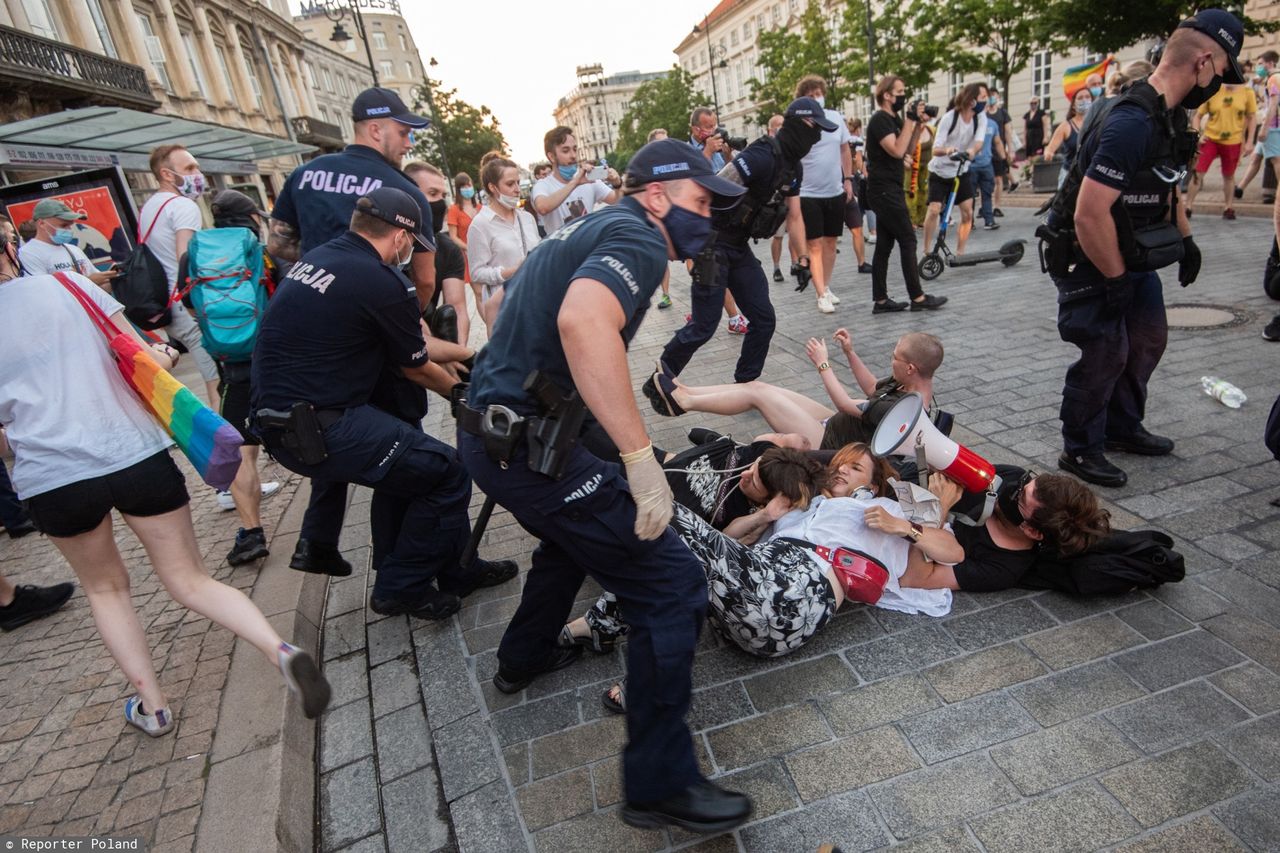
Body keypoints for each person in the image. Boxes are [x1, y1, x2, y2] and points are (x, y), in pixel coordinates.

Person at [456, 138, 752, 833]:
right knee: (672, 585)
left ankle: (522, 656)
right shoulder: (638, 238)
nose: (707, 217)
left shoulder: (589, 224)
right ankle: (659, 784)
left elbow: (512, 302)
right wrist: (640, 456)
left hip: (500, 434)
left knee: (574, 541)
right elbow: (583, 321)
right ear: (656, 196)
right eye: (700, 201)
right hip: (527, 446)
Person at [0, 258, 331, 730]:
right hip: (134, 453)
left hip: (54, 477)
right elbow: (148, 359)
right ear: (8, 252)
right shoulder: (69, 285)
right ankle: (280, 650)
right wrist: (169, 355)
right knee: (190, 580)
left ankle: (153, 709)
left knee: (106, 589)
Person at [252, 187, 515, 619]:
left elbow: (417, 347)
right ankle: (401, 587)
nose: (410, 252)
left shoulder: (323, 258)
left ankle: (456, 569)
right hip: (321, 427)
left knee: (410, 471)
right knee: (446, 472)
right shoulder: (380, 279)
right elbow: (413, 366)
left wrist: (469, 355)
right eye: (412, 244)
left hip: (282, 420)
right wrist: (459, 392)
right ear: (399, 238)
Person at [1045, 9, 1236, 487]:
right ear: (1204, 62)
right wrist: (1112, 280)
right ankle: (1081, 448)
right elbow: (1090, 213)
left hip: (1126, 253)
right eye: (1222, 71)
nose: (1221, 83)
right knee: (1107, 349)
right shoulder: (1130, 120)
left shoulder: (1168, 117)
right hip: (1087, 253)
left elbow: (1167, 185)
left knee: (1149, 337)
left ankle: (1122, 428)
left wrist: (1187, 241)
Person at [266, 87, 446, 578]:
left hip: (321, 336)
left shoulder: (303, 175)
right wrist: (401, 320)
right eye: (404, 132)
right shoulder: (401, 190)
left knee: (334, 424)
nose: (408, 143)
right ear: (375, 128)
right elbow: (426, 279)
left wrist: (324, 281)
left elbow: (278, 245)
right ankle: (398, 571)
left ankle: (317, 540)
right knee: (404, 450)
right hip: (379, 330)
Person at [649, 97, 832, 388]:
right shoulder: (760, 155)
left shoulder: (792, 168)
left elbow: (795, 217)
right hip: (711, 245)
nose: (818, 136)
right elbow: (713, 187)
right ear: (800, 126)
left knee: (763, 319)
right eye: (815, 128)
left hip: (738, 247)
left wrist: (801, 260)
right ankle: (662, 375)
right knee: (704, 325)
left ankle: (745, 385)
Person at [175, 189, 282, 566]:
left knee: (241, 452)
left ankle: (252, 533)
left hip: (233, 369)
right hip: (277, 363)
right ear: (251, 217)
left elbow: (188, 303)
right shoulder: (261, 250)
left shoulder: (194, 254)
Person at [647, 330, 944, 454]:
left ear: (911, 368)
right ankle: (685, 393)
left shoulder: (903, 408)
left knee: (759, 397)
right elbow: (870, 390)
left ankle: (684, 402)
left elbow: (843, 402)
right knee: (760, 387)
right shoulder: (905, 382)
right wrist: (850, 352)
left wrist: (823, 363)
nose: (891, 359)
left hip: (832, 445)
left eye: (895, 357)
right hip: (842, 425)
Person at [900, 467, 1111, 592]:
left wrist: (937, 508)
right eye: (1025, 484)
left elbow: (916, 579)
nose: (1012, 488)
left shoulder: (1002, 568)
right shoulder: (1012, 476)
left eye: (1019, 497)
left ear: (1032, 531)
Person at [140, 145, 222, 409]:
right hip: (185, 303)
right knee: (216, 377)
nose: (197, 173)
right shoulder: (182, 206)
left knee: (211, 373)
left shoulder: (151, 206)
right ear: (166, 174)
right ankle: (227, 439)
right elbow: (185, 259)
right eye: (189, 168)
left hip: (167, 304)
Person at [865, 75, 948, 313]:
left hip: (890, 187)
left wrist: (918, 125)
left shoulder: (894, 120)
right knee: (908, 239)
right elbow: (897, 149)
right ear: (887, 95)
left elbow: (908, 150)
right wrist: (911, 120)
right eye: (899, 91)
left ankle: (881, 301)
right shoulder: (880, 120)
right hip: (883, 190)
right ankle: (917, 297)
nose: (903, 96)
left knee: (884, 245)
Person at [795, 76, 853, 313]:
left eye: (818, 92)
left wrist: (848, 179)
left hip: (834, 191)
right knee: (815, 245)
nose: (816, 96)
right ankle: (820, 293)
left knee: (831, 242)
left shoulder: (835, 117)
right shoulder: (798, 122)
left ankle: (825, 286)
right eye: (810, 94)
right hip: (808, 193)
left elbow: (845, 149)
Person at [468, 155, 541, 330]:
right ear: (492, 187)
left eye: (517, 182)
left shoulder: (527, 218)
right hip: (504, 307)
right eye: (510, 184)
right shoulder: (480, 224)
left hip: (535, 300)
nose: (517, 189)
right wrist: (511, 272)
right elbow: (477, 273)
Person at [404, 161, 470, 346]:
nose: (440, 202)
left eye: (443, 195)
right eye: (433, 194)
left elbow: (457, 307)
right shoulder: (391, 246)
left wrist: (458, 349)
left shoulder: (447, 248)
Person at [923, 82, 989, 259]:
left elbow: (979, 142)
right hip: (940, 171)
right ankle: (927, 250)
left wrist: (972, 151)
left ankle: (960, 252)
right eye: (983, 97)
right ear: (971, 99)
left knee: (968, 212)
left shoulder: (980, 118)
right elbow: (935, 149)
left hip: (961, 170)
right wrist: (948, 150)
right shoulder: (950, 118)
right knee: (935, 209)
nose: (986, 101)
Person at [530, 126, 622, 235]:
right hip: (559, 251)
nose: (573, 156)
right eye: (566, 151)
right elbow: (543, 207)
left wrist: (617, 184)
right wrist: (575, 183)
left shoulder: (588, 178)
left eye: (574, 149)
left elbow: (617, 200)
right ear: (551, 156)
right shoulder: (543, 185)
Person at [1185, 80, 1256, 219]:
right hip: (1211, 139)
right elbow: (1198, 115)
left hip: (1233, 140)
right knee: (1197, 173)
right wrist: (1197, 135)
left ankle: (1228, 207)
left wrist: (1249, 141)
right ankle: (1188, 206)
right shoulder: (1214, 91)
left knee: (1229, 175)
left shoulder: (1247, 93)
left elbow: (1252, 117)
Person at [17, 198, 118, 289]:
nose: (69, 230)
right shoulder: (28, 254)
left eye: (70, 225)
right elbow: (45, 292)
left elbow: (99, 287)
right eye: (63, 225)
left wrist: (115, 280)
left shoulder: (73, 249)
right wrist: (89, 282)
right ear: (42, 223)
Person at [1235, 51, 1277, 199]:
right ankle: (1240, 188)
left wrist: (1264, 129)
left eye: (1260, 64)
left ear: (1269, 63)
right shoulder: (1270, 78)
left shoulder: (1274, 79)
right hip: (1270, 125)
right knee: (1256, 157)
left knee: (1276, 162)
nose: (1258, 67)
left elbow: (1273, 106)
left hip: (1272, 127)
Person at [1044, 88, 1094, 188]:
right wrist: (1049, 153)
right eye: (1080, 98)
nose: (1084, 100)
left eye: (1087, 97)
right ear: (1073, 105)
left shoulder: (1097, 123)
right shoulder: (1066, 126)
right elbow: (1050, 148)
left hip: (1091, 176)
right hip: (1069, 175)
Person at [972, 99, 1006, 230]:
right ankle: (973, 221)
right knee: (973, 196)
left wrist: (1003, 160)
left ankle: (987, 220)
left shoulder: (992, 124)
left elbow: (998, 142)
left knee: (985, 194)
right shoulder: (973, 123)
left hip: (985, 164)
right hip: (973, 165)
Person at [447, 172, 481, 298]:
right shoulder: (454, 210)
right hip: (468, 256)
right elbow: (453, 236)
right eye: (464, 186)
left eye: (469, 185)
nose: (467, 188)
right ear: (458, 189)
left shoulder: (480, 208)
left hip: (486, 253)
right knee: (479, 293)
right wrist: (468, 248)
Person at [845, 121, 872, 273]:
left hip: (847, 193)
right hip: (831, 193)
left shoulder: (850, 147)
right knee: (828, 238)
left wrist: (854, 158)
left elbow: (855, 168)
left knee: (857, 228)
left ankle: (861, 263)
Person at [766, 114, 789, 282]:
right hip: (777, 198)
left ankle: (797, 263)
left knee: (796, 234)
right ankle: (776, 267)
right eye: (779, 126)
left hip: (792, 195)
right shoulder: (769, 148)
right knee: (779, 235)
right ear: (771, 130)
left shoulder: (790, 145)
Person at [689, 106, 728, 171]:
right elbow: (695, 174)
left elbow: (733, 175)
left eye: (714, 126)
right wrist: (708, 151)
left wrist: (728, 156)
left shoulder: (718, 145)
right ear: (696, 130)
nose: (714, 131)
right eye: (709, 127)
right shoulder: (686, 151)